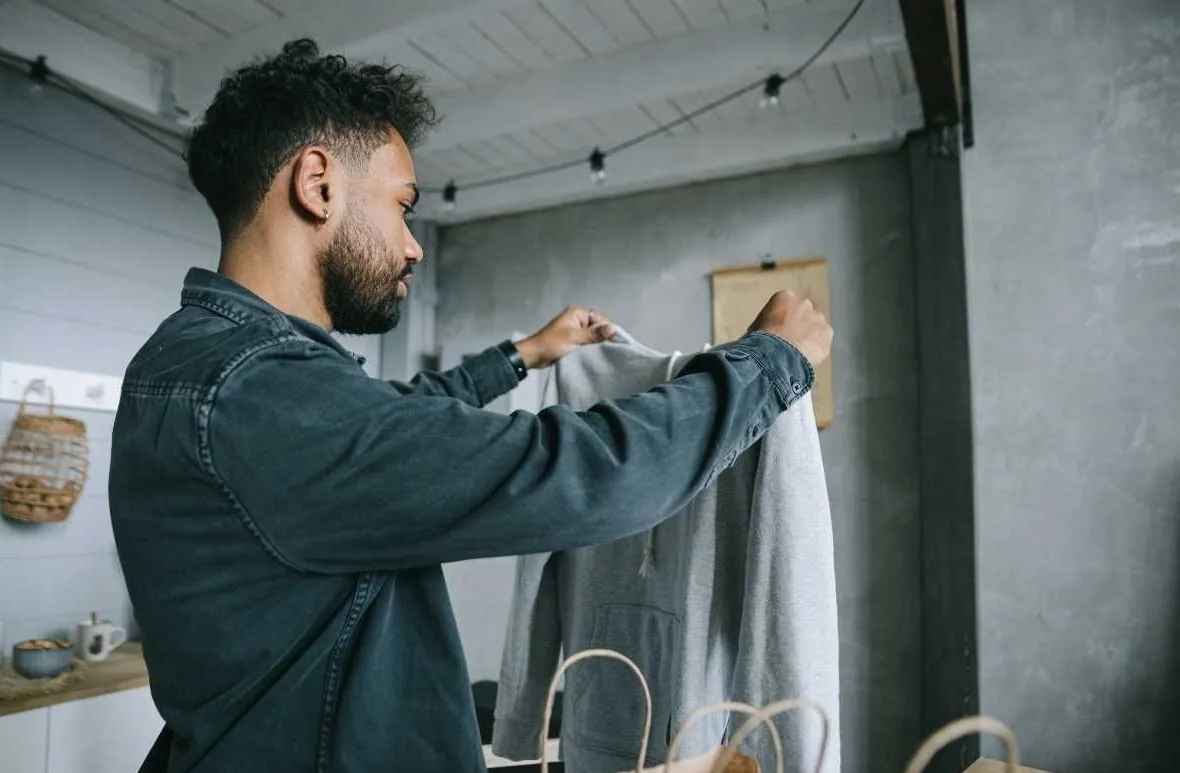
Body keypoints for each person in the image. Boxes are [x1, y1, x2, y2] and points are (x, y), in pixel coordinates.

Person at [109, 38, 832, 773]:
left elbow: (392, 424)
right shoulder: (259, 396)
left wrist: (524, 353)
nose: (413, 246)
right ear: (318, 184)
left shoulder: (201, 368)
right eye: (402, 206)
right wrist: (771, 362)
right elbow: (568, 472)